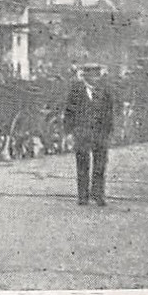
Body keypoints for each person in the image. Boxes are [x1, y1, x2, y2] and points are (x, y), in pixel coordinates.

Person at [63, 63, 116, 206]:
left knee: (100, 166)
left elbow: (109, 114)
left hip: (100, 134)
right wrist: (69, 133)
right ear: (85, 77)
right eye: (92, 76)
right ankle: (83, 196)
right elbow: (69, 113)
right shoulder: (75, 92)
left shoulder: (105, 92)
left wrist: (109, 133)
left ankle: (98, 194)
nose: (95, 79)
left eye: (97, 76)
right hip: (82, 134)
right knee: (82, 165)